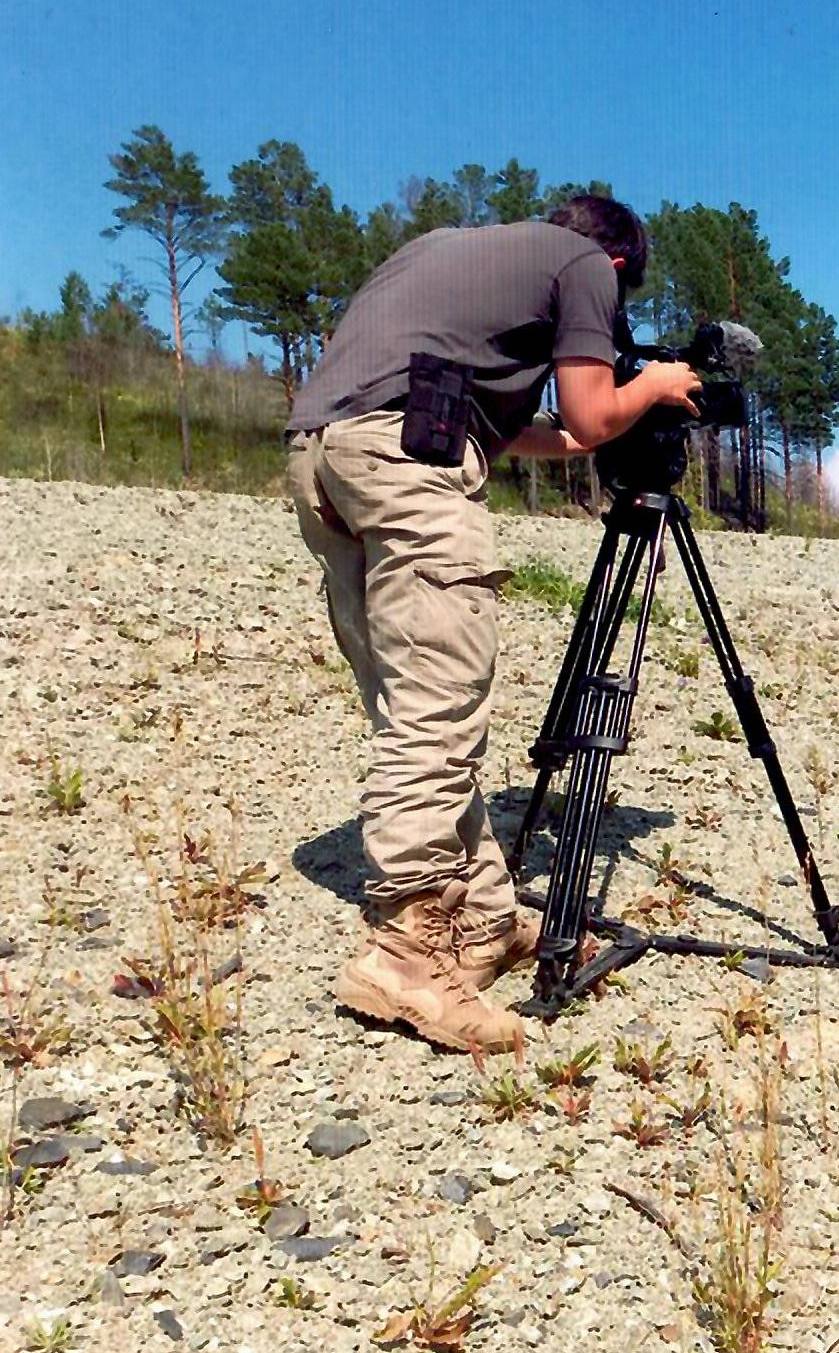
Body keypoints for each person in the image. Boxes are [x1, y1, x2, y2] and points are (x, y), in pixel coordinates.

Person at [284, 195, 704, 1051]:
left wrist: (603, 424)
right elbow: (592, 415)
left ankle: (480, 915)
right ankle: (403, 957)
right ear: (618, 266)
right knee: (438, 715)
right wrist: (652, 386)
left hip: (325, 459)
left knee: (411, 706)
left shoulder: (443, 250)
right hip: (411, 467)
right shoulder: (586, 264)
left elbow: (523, 434)